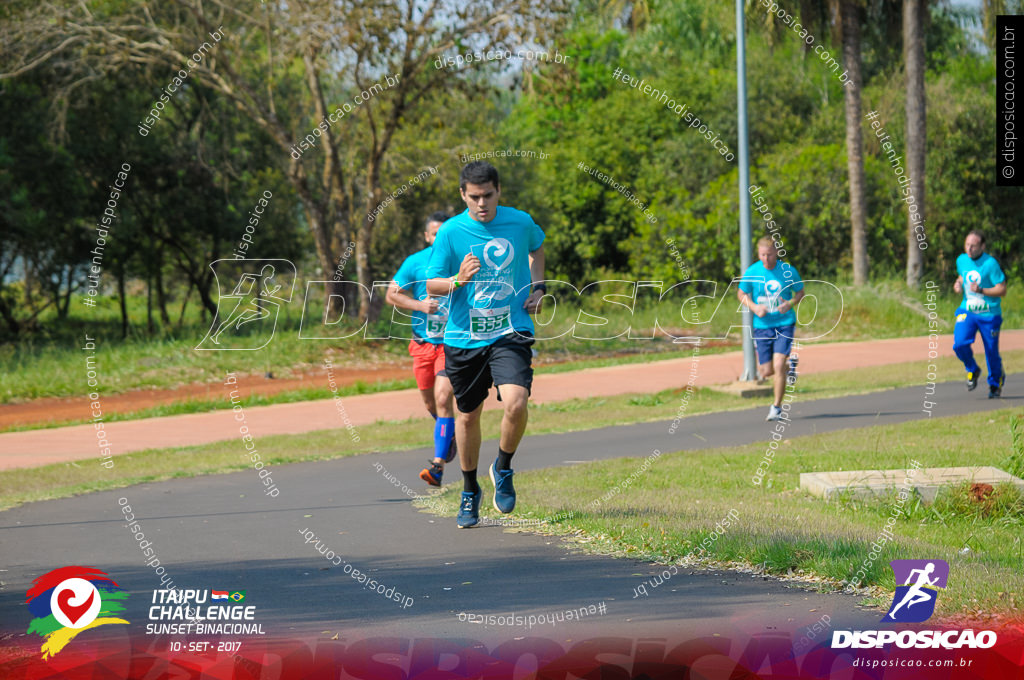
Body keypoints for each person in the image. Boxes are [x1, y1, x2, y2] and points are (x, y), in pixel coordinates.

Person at [425, 161, 546, 528]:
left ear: (498, 192)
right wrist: (458, 280)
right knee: (468, 415)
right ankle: (469, 489)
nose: (482, 204)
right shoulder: (450, 233)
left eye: (488, 196)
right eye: (474, 197)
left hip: (510, 329)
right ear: (463, 195)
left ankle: (504, 467)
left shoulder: (520, 222)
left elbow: (537, 250)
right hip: (464, 337)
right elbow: (432, 285)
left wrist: (538, 287)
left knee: (516, 401)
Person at [385, 212, 457, 486]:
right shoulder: (414, 263)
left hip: (451, 345)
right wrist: (420, 305)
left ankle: (437, 467)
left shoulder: (461, 260)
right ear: (427, 236)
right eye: (434, 233)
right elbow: (392, 294)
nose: (439, 237)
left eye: (444, 232)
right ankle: (448, 434)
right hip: (422, 345)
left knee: (442, 398)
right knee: (431, 403)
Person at [737, 237, 805, 422]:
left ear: (776, 253)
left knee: (777, 365)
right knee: (767, 371)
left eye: (769, 255)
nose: (766, 259)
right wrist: (754, 307)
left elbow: (800, 292)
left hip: (784, 323)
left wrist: (789, 304)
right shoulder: (753, 271)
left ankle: (776, 408)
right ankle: (789, 367)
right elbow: (741, 293)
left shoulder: (788, 271)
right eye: (762, 255)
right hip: (762, 326)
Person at [953, 230, 1007, 398]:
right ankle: (973, 369)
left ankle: (995, 383)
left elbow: (1002, 289)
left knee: (991, 351)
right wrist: (957, 283)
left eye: (973, 246)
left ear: (982, 246)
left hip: (989, 315)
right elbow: (962, 276)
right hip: (967, 310)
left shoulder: (990, 264)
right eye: (967, 245)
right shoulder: (961, 260)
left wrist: (982, 290)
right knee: (959, 344)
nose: (969, 249)